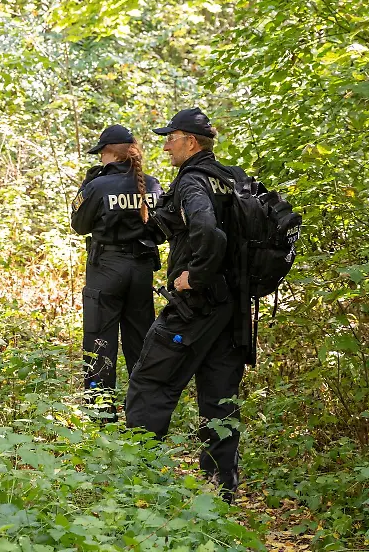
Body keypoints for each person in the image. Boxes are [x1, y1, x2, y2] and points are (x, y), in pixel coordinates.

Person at [125, 107, 250, 502]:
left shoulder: (194, 183)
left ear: (191, 142)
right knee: (220, 397)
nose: (165, 146)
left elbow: (209, 235)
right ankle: (221, 488)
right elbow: (169, 226)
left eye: (170, 138)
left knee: (151, 381)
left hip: (196, 306)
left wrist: (192, 276)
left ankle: (137, 481)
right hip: (233, 308)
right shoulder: (232, 179)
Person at [71, 124, 163, 422]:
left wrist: (88, 185)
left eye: (101, 154)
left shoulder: (98, 186)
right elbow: (162, 231)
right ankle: (143, 420)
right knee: (141, 345)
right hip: (141, 272)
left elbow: (79, 225)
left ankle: (100, 416)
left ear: (109, 153)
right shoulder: (153, 184)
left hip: (106, 271)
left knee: (99, 342)